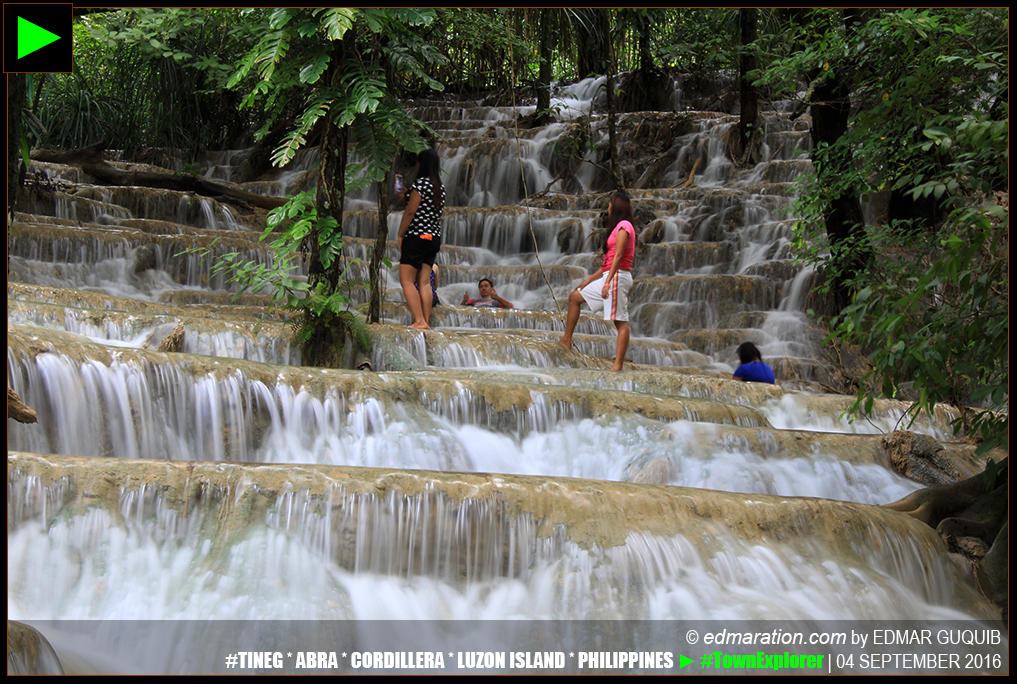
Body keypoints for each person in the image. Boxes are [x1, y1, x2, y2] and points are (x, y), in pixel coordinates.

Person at [559, 192, 636, 371]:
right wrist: (588, 281)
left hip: (617, 277)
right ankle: (566, 340)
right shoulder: (616, 227)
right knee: (574, 297)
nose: (608, 208)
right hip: (609, 275)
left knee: (620, 322)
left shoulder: (625, 226)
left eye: (610, 205)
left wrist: (607, 282)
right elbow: (607, 263)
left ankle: (618, 365)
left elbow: (618, 256)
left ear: (616, 207)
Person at [398, 149, 444, 329]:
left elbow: (411, 211)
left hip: (417, 236)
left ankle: (418, 320)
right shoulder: (440, 187)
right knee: (424, 281)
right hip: (433, 237)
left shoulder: (421, 184)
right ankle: (425, 321)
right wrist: (407, 196)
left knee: (407, 280)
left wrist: (401, 233)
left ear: (421, 164)